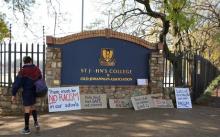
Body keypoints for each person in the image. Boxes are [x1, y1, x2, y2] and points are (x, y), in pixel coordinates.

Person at [11, 56, 42, 134]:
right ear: (31, 61)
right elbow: (40, 78)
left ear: (24, 62)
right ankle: (36, 123)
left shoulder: (22, 71)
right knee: (33, 106)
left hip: (27, 92)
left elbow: (17, 84)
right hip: (35, 91)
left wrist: (13, 93)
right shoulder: (37, 69)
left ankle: (27, 129)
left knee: (27, 109)